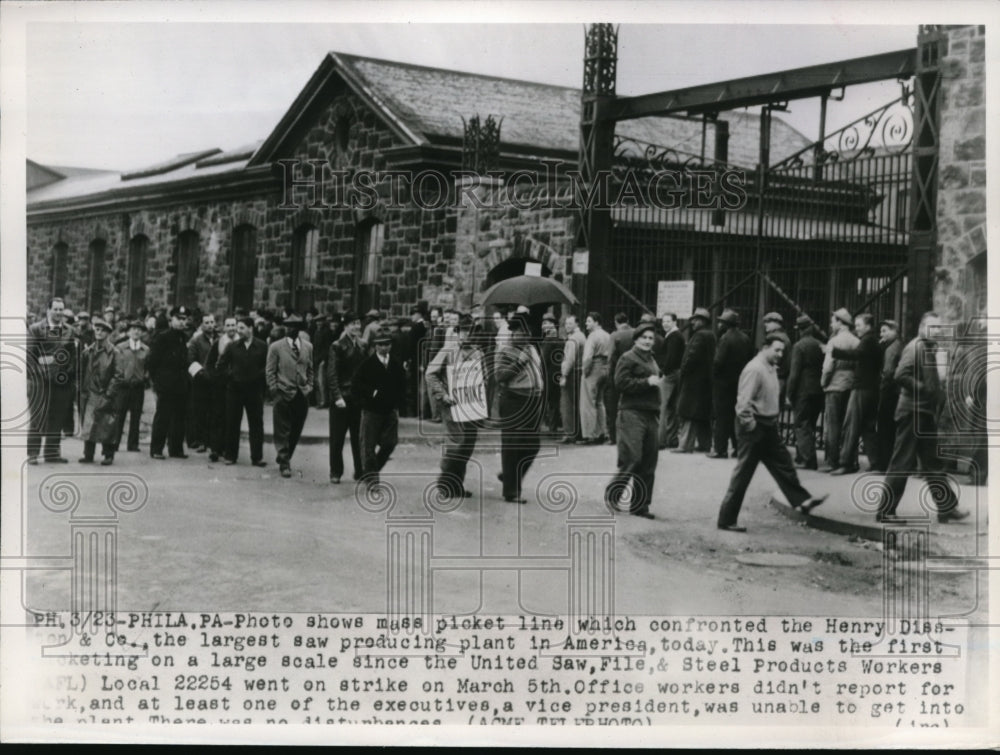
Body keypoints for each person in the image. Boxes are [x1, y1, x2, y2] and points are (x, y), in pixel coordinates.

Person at [716, 334, 828, 532]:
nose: (780, 354)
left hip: (767, 426)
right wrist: (750, 426)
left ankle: (802, 501)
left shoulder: (769, 368)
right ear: (764, 347)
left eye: (782, 351)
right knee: (743, 474)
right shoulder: (755, 369)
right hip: (755, 427)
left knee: (784, 463)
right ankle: (726, 519)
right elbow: (743, 403)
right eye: (776, 350)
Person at [873, 312, 970, 524]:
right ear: (922, 328)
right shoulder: (915, 347)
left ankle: (946, 507)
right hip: (912, 413)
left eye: (939, 328)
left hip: (923, 413)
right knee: (902, 462)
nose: (936, 331)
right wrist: (923, 389)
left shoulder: (928, 348)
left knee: (933, 463)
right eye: (932, 327)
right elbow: (900, 375)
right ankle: (885, 511)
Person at [605, 321, 662, 519]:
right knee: (633, 457)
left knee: (649, 461)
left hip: (650, 413)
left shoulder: (651, 359)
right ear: (636, 339)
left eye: (651, 338)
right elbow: (620, 383)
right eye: (644, 337)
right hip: (631, 413)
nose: (648, 341)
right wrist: (646, 382)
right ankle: (613, 495)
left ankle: (640, 506)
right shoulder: (627, 358)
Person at [425, 315, 485, 498]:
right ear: (458, 333)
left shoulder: (478, 353)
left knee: (467, 446)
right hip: (451, 405)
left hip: (471, 406)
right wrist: (443, 395)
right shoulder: (448, 350)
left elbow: (484, 377)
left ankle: (456, 485)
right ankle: (444, 483)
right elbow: (430, 373)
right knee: (455, 444)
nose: (467, 335)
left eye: (470, 331)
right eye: (464, 331)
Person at [495, 314, 545, 503]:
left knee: (532, 445)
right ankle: (511, 491)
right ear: (513, 333)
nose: (525, 335)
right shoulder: (506, 350)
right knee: (512, 445)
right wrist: (519, 362)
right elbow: (499, 376)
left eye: (527, 332)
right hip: (513, 400)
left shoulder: (531, 348)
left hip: (533, 400)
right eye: (521, 332)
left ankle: (509, 476)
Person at [829, 313, 882, 475]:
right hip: (872, 388)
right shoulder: (873, 341)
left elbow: (856, 355)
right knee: (868, 427)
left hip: (861, 388)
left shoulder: (867, 340)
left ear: (868, 326)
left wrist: (834, 351)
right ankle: (876, 463)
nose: (856, 328)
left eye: (859, 325)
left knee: (851, 425)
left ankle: (846, 463)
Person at [26, 297, 77, 464]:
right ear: (48, 310)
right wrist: (44, 371)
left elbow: (72, 358)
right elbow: (30, 357)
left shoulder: (69, 330)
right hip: (40, 381)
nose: (58, 313)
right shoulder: (36, 329)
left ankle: (52, 453)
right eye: (55, 309)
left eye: (61, 309)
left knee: (57, 416)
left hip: (61, 382)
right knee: (38, 416)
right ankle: (33, 453)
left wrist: (66, 373)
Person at [355, 329, 407, 487]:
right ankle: (372, 481)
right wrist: (372, 394)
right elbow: (357, 385)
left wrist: (398, 403)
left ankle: (370, 471)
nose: (384, 348)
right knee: (368, 447)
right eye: (381, 345)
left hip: (390, 411)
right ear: (375, 346)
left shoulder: (396, 364)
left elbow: (402, 384)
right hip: (372, 411)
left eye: (387, 344)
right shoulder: (367, 364)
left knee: (390, 443)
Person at [266, 313, 313, 478]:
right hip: (283, 392)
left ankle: (285, 456)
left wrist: (309, 386)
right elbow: (270, 370)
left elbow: (310, 369)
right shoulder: (276, 347)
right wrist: (274, 389)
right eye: (287, 325)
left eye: (293, 326)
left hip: (302, 393)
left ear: (299, 329)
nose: (289, 329)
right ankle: (284, 463)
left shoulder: (307, 346)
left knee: (296, 429)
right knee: (282, 430)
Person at [217, 317, 267, 466]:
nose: (238, 331)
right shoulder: (232, 347)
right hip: (235, 390)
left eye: (242, 327)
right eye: (238, 328)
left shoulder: (262, 346)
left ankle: (257, 457)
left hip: (254, 391)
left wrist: (259, 376)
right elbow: (221, 365)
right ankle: (231, 455)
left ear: (251, 328)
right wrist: (231, 376)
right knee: (232, 422)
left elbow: (268, 366)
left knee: (256, 424)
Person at [78, 317, 124, 466]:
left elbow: (118, 376)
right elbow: (82, 371)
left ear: (108, 333)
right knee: (89, 423)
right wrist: (82, 390)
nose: (99, 332)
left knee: (107, 424)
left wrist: (109, 394)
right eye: (97, 329)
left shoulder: (114, 352)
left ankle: (108, 454)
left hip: (106, 393)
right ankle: (88, 454)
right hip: (90, 393)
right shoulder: (88, 351)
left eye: (102, 330)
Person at [147, 306, 192, 460]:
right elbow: (152, 362)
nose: (181, 322)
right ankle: (156, 449)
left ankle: (176, 448)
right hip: (166, 385)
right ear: (171, 320)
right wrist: (157, 382)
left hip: (180, 384)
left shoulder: (183, 338)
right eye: (179, 319)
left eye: (184, 319)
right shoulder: (162, 337)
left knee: (179, 417)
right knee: (163, 416)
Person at [327, 311, 366, 484]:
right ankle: (335, 472)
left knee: (359, 438)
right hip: (342, 398)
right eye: (352, 324)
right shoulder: (337, 346)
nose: (356, 327)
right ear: (345, 326)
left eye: (358, 323)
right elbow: (332, 374)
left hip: (357, 398)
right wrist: (337, 396)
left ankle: (360, 470)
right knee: (337, 438)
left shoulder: (362, 345)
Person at [710, 308, 753, 459]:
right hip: (739, 382)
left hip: (723, 384)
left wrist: (714, 375)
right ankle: (737, 447)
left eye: (721, 322)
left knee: (722, 417)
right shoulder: (745, 338)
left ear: (725, 324)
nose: (719, 324)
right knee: (737, 415)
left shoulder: (725, 339)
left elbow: (718, 362)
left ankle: (720, 449)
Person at [820, 307, 859, 471]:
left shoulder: (834, 342)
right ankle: (849, 459)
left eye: (833, 321)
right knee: (848, 424)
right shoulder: (856, 341)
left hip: (835, 384)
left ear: (840, 323)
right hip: (851, 384)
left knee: (833, 424)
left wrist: (823, 382)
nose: (831, 324)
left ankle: (832, 461)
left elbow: (828, 366)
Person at [674, 307, 715, 453]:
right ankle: (705, 444)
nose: (693, 323)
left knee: (689, 413)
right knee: (702, 414)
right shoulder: (710, 335)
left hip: (693, 381)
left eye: (696, 320)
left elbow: (691, 357)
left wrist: (683, 371)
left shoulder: (699, 336)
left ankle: (685, 445)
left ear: (702, 321)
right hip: (705, 381)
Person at [786, 315, 825, 470]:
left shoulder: (799, 346)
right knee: (811, 424)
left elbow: (794, 373)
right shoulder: (820, 344)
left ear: (800, 330)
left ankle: (808, 460)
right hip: (818, 390)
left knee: (802, 424)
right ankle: (803, 455)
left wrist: (789, 393)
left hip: (803, 390)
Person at [203, 316, 238, 462]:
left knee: (231, 418)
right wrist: (214, 378)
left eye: (233, 325)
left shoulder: (240, 342)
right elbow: (209, 364)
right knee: (217, 416)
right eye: (228, 325)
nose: (231, 328)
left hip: (235, 386)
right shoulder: (219, 343)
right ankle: (215, 449)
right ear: (224, 328)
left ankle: (227, 448)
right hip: (219, 386)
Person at [114, 319, 150, 453]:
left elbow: (148, 366)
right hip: (123, 386)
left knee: (136, 416)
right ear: (128, 331)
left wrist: (145, 377)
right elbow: (116, 365)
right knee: (119, 415)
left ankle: (133, 444)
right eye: (133, 329)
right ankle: (115, 442)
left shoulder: (146, 349)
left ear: (142, 333)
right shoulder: (120, 347)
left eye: (139, 329)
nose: (136, 331)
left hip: (138, 387)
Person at [578, 311, 612, 445]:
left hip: (593, 367)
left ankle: (590, 434)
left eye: (589, 321)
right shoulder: (607, 335)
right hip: (605, 367)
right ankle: (602, 432)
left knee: (588, 402)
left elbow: (587, 357)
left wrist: (585, 371)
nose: (586, 323)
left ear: (596, 322)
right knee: (600, 401)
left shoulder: (592, 336)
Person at [874, 319, 903, 474]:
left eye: (885, 331)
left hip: (889, 392)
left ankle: (883, 464)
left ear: (894, 331)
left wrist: (882, 388)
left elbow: (888, 372)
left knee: (885, 428)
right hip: (897, 392)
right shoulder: (898, 345)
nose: (881, 334)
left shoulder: (891, 349)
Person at [186, 312, 217, 453]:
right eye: (207, 323)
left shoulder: (219, 339)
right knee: (199, 411)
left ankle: (211, 440)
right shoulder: (196, 341)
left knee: (214, 411)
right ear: (202, 325)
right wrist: (201, 373)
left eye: (212, 322)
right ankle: (199, 440)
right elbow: (190, 360)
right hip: (201, 382)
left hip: (216, 381)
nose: (210, 325)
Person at [605, 313, 634, 445]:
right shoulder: (635, 333)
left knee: (613, 405)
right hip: (633, 373)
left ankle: (613, 437)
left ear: (616, 322)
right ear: (627, 321)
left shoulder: (615, 335)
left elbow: (610, 356)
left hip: (617, 373)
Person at [558, 314, 587, 443]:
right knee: (577, 403)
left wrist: (564, 375)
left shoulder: (573, 339)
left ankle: (570, 433)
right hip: (579, 372)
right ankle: (578, 432)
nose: (567, 326)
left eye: (570, 323)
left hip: (572, 373)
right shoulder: (582, 336)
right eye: (566, 324)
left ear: (576, 324)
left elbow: (570, 359)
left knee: (568, 404)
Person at [539, 314, 563, 435]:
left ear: (554, 325)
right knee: (554, 401)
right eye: (543, 323)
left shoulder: (548, 340)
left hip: (548, 374)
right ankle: (553, 427)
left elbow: (543, 359)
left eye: (547, 323)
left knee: (543, 401)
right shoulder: (560, 339)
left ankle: (542, 426)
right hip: (558, 374)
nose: (544, 326)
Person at [762, 312, 792, 408]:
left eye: (768, 321)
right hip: (782, 378)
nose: (765, 324)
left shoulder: (773, 337)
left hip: (773, 377)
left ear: (777, 323)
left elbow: (766, 360)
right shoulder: (785, 337)